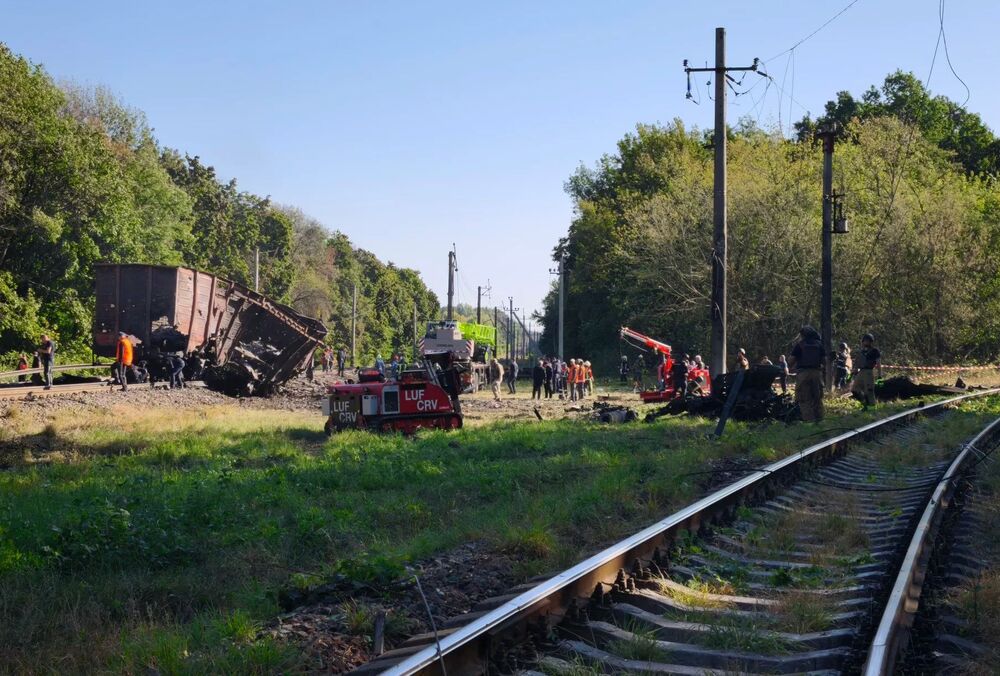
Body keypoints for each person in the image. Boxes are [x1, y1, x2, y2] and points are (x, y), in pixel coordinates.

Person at [789, 326, 824, 421]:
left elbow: (791, 360)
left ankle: (809, 421)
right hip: (817, 373)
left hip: (803, 374)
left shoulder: (800, 345)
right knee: (817, 397)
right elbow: (824, 360)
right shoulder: (819, 344)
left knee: (804, 398)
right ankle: (819, 419)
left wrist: (790, 366)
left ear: (803, 335)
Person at [852, 333, 881, 407]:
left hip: (869, 372)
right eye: (864, 341)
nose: (865, 342)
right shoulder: (861, 352)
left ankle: (872, 407)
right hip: (861, 372)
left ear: (870, 341)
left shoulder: (875, 351)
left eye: (867, 341)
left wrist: (879, 375)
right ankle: (864, 403)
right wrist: (854, 370)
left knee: (869, 391)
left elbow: (878, 363)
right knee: (854, 389)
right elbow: (857, 362)